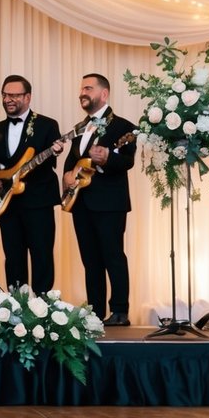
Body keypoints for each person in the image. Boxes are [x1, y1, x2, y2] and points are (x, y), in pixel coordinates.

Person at [62, 73, 137, 326]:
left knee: (113, 256)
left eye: (88, 88)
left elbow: (127, 161)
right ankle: (94, 312)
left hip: (109, 202)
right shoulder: (80, 127)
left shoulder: (124, 127)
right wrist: (67, 176)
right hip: (81, 202)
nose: (82, 93)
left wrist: (107, 158)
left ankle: (120, 311)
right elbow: (72, 160)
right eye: (82, 89)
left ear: (104, 94)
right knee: (90, 259)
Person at [0, 75, 63, 294]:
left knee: (42, 255)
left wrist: (55, 151)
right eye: (5, 95)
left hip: (38, 201)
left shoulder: (47, 125)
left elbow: (51, 163)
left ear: (27, 97)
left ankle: (43, 304)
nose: (8, 99)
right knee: (13, 257)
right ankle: (16, 304)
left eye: (14, 95)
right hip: (8, 203)